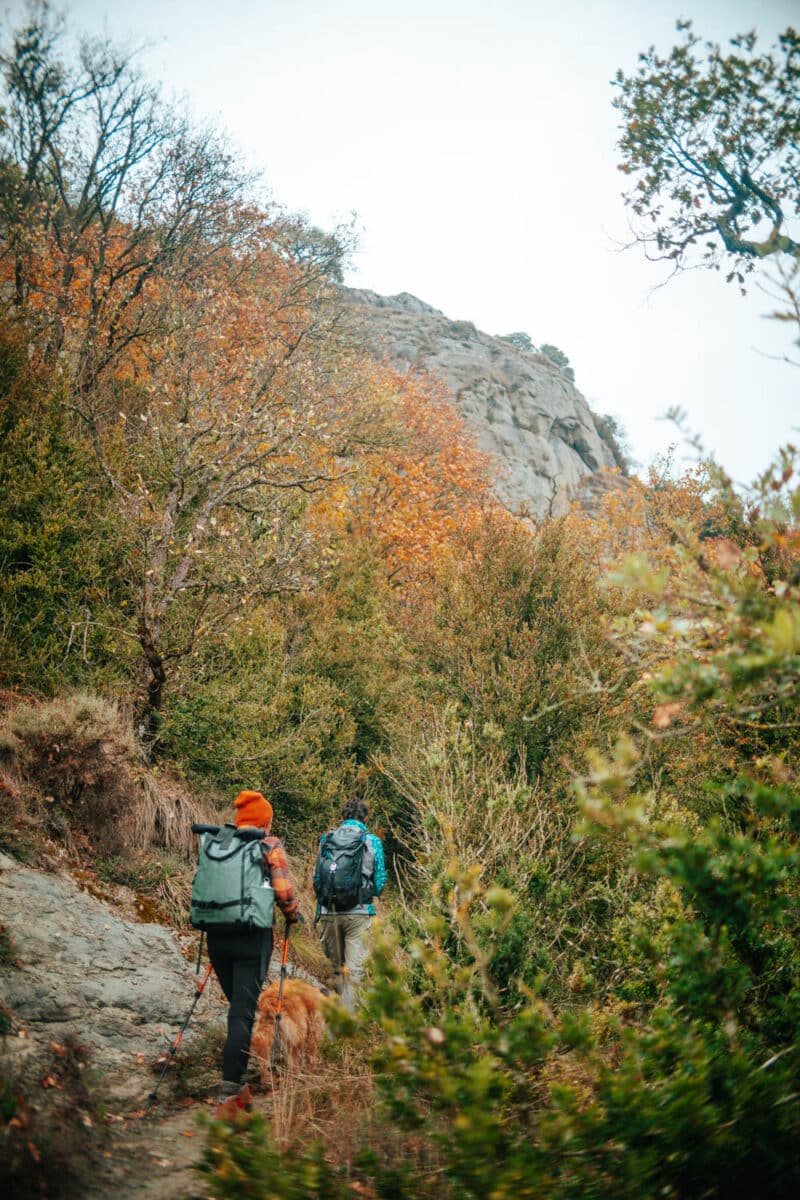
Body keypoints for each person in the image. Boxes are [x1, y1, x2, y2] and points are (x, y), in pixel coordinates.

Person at [207, 789, 298, 1119]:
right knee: (242, 1014)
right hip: (251, 938)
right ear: (264, 820)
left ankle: (239, 1085)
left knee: (238, 1009)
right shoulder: (269, 846)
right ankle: (228, 1094)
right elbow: (284, 892)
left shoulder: (219, 843)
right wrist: (292, 913)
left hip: (217, 937)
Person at [315, 798, 386, 1012]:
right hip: (359, 914)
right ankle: (345, 1031)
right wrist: (365, 895)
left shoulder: (326, 839)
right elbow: (380, 881)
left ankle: (332, 1024)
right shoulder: (372, 841)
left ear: (342, 818)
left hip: (329, 912)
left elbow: (317, 878)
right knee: (353, 973)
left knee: (336, 970)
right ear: (365, 818)